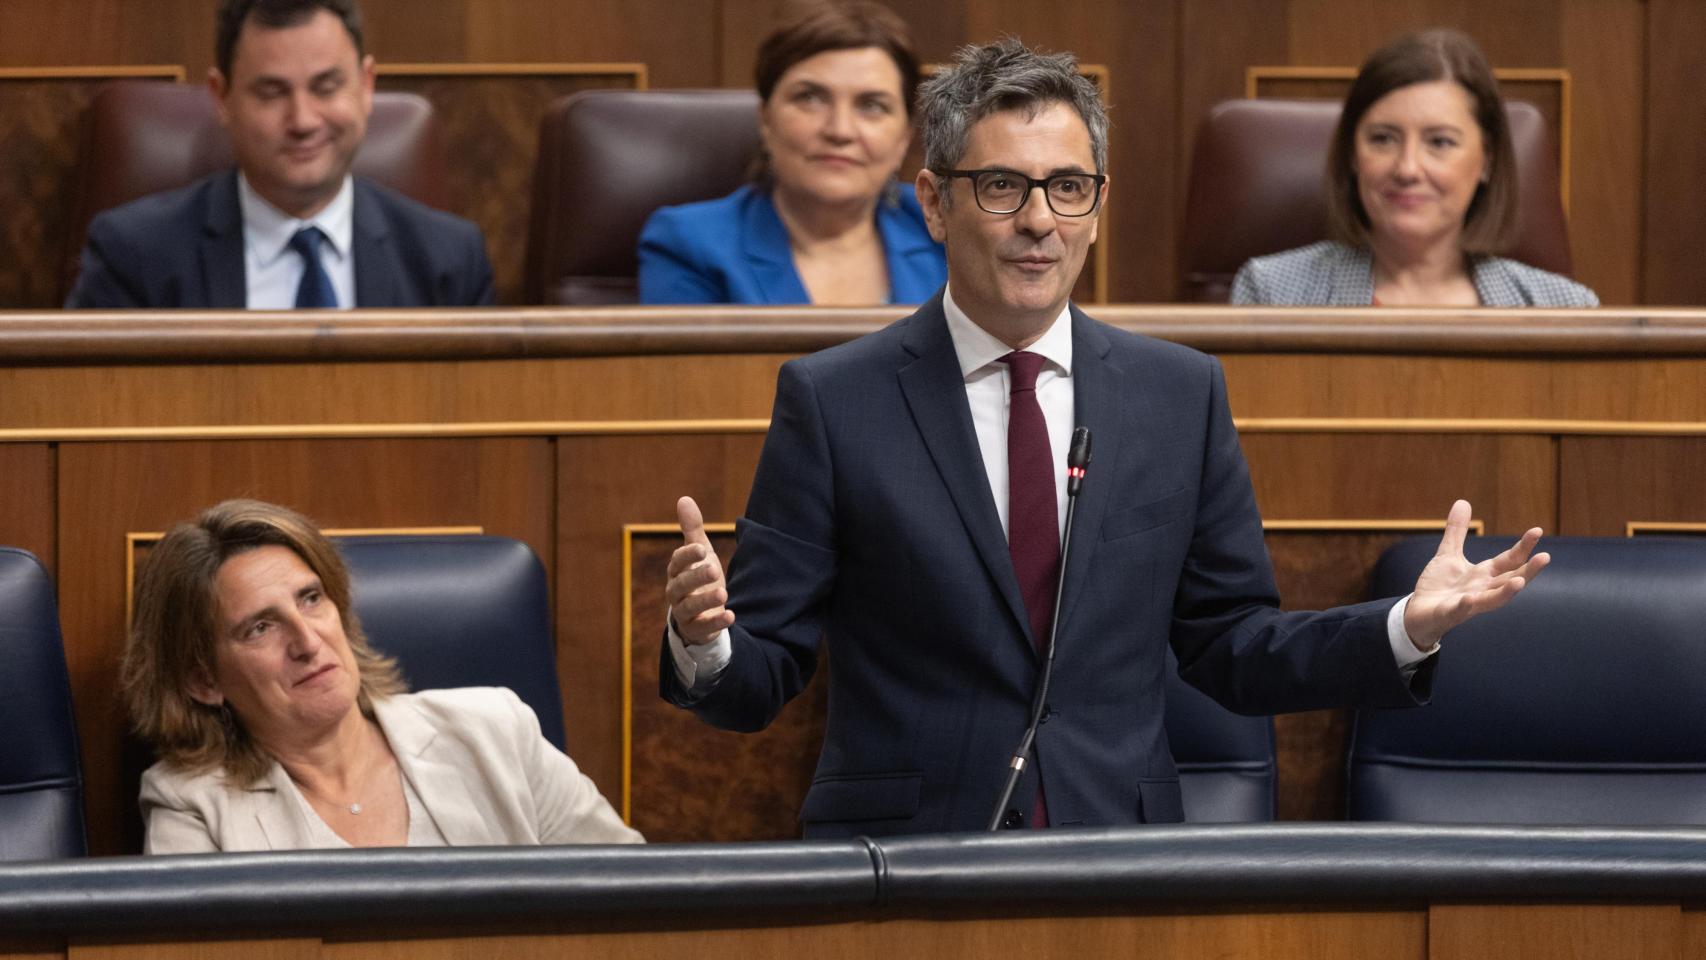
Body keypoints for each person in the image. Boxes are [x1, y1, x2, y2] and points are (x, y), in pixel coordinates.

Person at [661, 39, 1549, 838]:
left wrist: (1406, 626)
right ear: (935, 202)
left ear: (1097, 202)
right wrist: (705, 640)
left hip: (1119, 859)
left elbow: (1232, 648)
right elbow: (760, 677)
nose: (1040, 219)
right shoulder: (833, 399)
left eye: (1068, 187)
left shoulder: (1178, 394)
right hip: (906, 861)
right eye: (1002, 186)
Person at [122, 499, 641, 852]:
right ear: (202, 680)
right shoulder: (192, 808)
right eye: (260, 627)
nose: (307, 641)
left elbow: (633, 904)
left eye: (311, 599)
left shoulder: (495, 730)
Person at [66, 0, 493, 309]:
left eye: (326, 88)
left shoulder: (450, 263)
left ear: (365, 86)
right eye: (272, 93)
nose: (303, 120)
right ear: (222, 97)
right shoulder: (135, 257)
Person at [1230, 29, 1597, 308]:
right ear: (1353, 155)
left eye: (1439, 142)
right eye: (1383, 139)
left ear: (1486, 161)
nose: (1407, 168)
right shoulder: (1270, 292)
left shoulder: (1563, 308)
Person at [637, 1, 945, 305]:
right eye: (810, 97)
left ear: (904, 138)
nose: (840, 130)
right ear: (766, 120)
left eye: (872, 105)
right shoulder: (689, 244)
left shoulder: (948, 229)